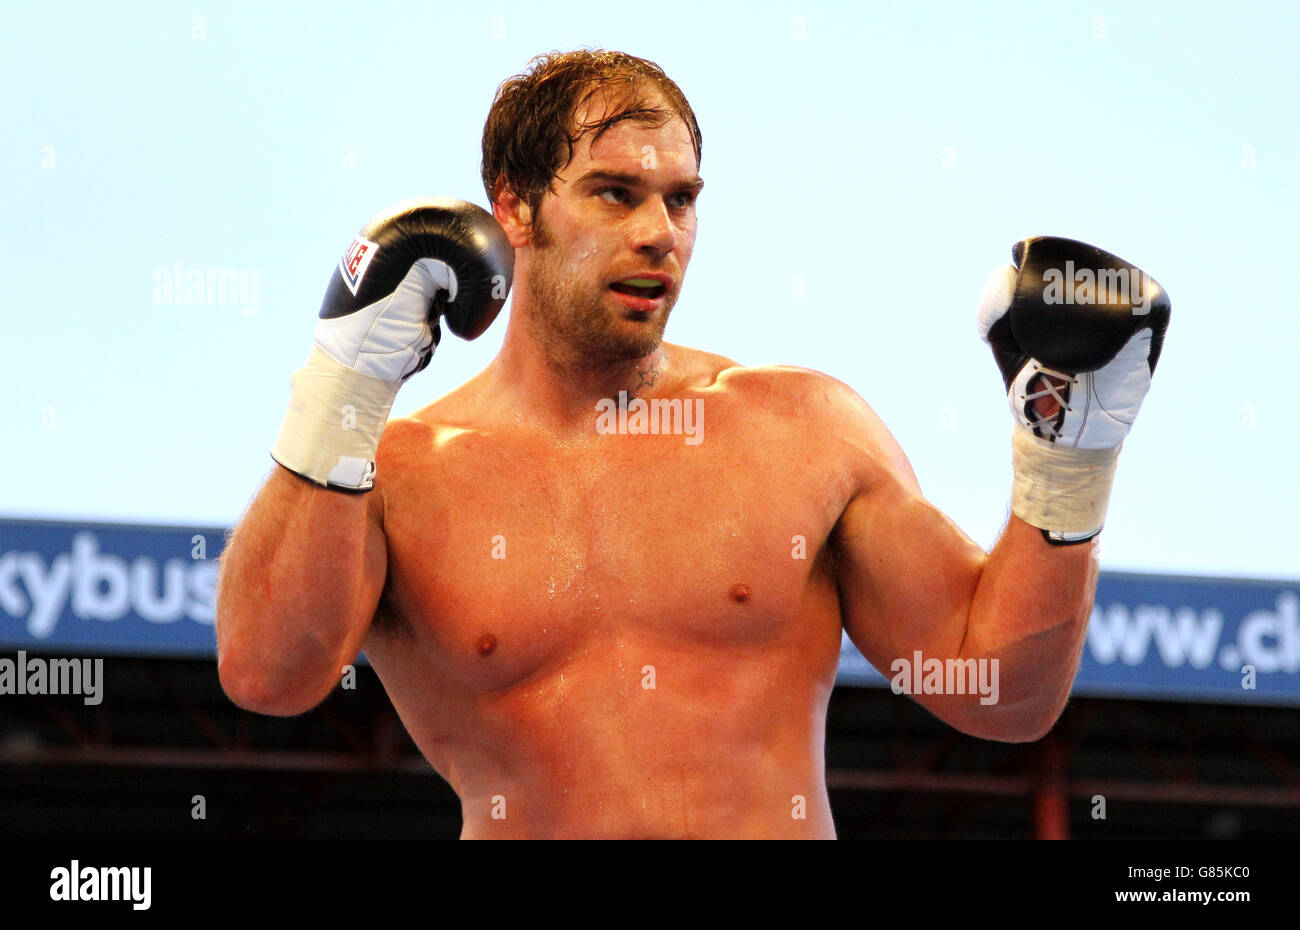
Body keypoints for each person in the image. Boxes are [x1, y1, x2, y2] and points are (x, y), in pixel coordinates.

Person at [215, 49, 1169, 839]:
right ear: (514, 208)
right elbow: (268, 675)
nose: (659, 234)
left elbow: (1001, 694)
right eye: (615, 194)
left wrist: (1067, 466)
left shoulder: (802, 430)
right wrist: (343, 392)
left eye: (680, 200)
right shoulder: (403, 473)